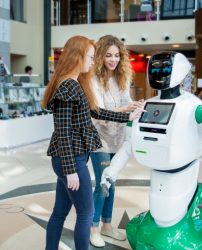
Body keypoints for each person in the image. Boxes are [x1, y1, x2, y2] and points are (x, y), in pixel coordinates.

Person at [41, 35, 144, 250]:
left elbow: (95, 111)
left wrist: (128, 117)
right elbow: (63, 133)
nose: (91, 60)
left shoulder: (75, 84)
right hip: (70, 160)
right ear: (77, 57)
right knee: (86, 213)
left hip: (71, 158)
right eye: (89, 56)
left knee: (60, 212)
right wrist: (70, 170)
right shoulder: (68, 87)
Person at [90, 35, 144, 248]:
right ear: (100, 56)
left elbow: (126, 101)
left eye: (116, 55)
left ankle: (107, 225)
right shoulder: (93, 80)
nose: (112, 59)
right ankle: (93, 228)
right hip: (99, 140)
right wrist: (126, 109)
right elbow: (99, 113)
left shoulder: (121, 78)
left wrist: (137, 104)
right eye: (108, 55)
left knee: (111, 183)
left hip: (118, 138)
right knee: (103, 182)